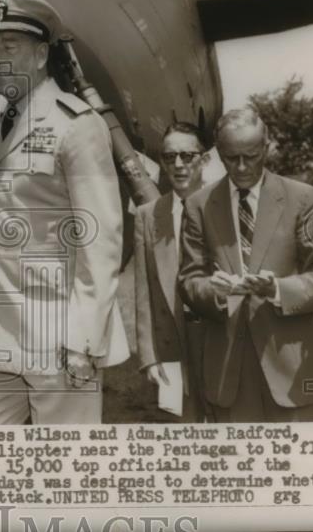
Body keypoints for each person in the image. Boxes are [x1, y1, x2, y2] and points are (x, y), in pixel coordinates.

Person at [0, 0, 129, 425]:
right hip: (1, 337)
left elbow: (101, 240)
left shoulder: (77, 124)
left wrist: (84, 337)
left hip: (58, 338)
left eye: (9, 46)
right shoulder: (8, 121)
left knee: (66, 476)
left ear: (39, 55)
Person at [178, 108, 313, 422]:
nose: (242, 167)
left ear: (266, 147)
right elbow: (189, 279)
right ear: (218, 154)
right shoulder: (198, 206)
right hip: (229, 375)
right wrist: (216, 292)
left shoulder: (303, 198)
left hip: (293, 376)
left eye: (251, 156)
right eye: (231, 158)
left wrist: (276, 288)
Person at [133, 122, 210, 422]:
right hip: (173, 341)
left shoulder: (225, 205)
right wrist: (150, 357)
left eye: (187, 156)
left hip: (219, 340)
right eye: (169, 157)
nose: (178, 165)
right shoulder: (148, 215)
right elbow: (144, 293)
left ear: (204, 159)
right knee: (181, 431)